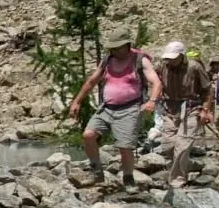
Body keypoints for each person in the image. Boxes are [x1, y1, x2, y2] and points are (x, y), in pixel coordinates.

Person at [68, 28, 162, 191]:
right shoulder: (107, 60)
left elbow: (156, 82)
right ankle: (97, 172)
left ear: (127, 45)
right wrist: (77, 101)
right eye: (113, 48)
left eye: (118, 47)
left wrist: (152, 101)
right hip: (107, 107)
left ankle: (128, 178)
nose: (115, 51)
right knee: (88, 135)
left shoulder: (139, 60)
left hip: (130, 107)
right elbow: (91, 81)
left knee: (124, 146)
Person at [153, 41, 211, 187]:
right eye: (168, 58)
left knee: (182, 144)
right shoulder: (162, 66)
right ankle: (184, 165)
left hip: (191, 107)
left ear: (182, 56)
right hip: (169, 108)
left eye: (174, 58)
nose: (170, 61)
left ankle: (177, 180)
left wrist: (205, 110)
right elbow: (154, 81)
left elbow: (208, 89)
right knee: (168, 145)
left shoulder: (194, 67)